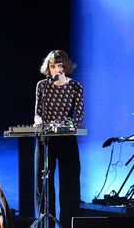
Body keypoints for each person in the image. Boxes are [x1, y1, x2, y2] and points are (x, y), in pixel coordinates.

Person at [33, 50, 84, 228]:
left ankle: (68, 223)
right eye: (53, 66)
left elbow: (78, 115)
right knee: (43, 184)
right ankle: (46, 224)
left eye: (60, 65)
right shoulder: (42, 86)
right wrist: (38, 121)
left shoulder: (76, 86)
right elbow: (38, 113)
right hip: (45, 139)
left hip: (67, 139)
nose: (56, 69)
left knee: (69, 185)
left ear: (66, 66)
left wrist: (67, 124)